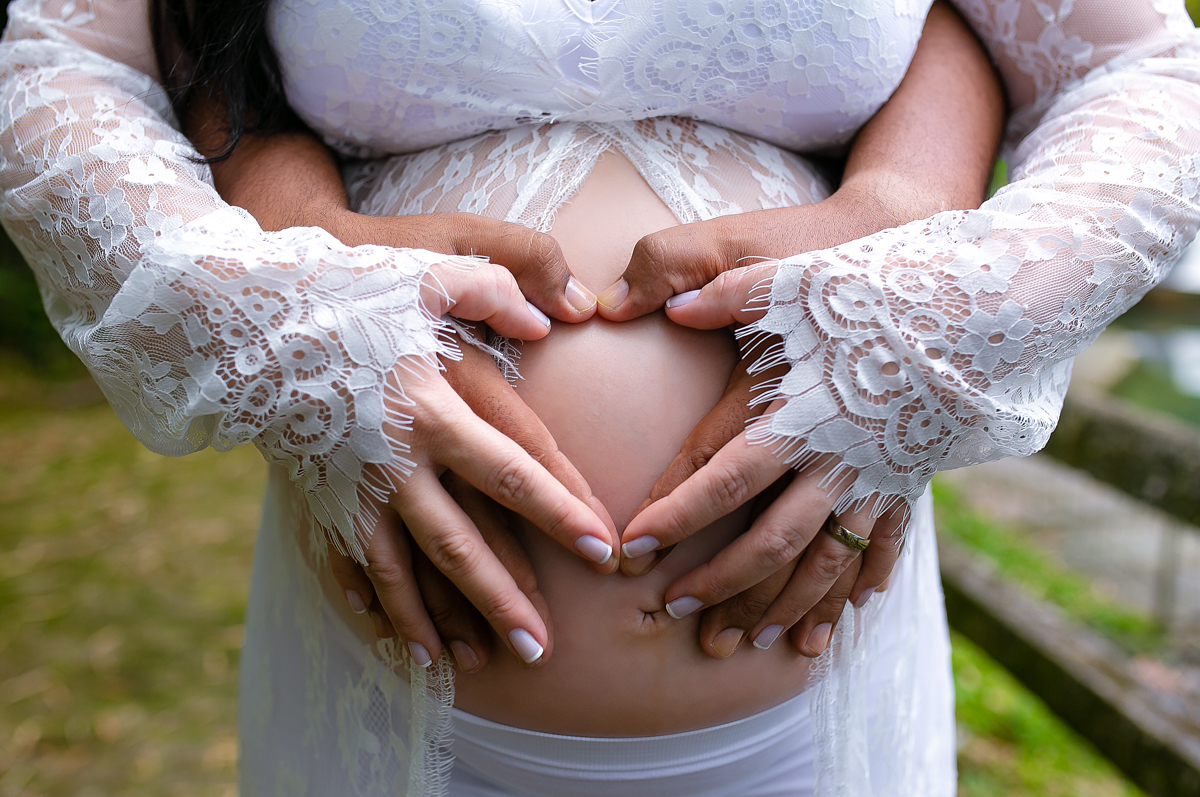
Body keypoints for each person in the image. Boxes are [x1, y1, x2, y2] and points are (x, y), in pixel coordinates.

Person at [1, 1, 1197, 796]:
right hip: (387, 707)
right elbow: (71, 58)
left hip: (814, 712)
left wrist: (941, 315)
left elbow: (1137, 69)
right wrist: (277, 311)